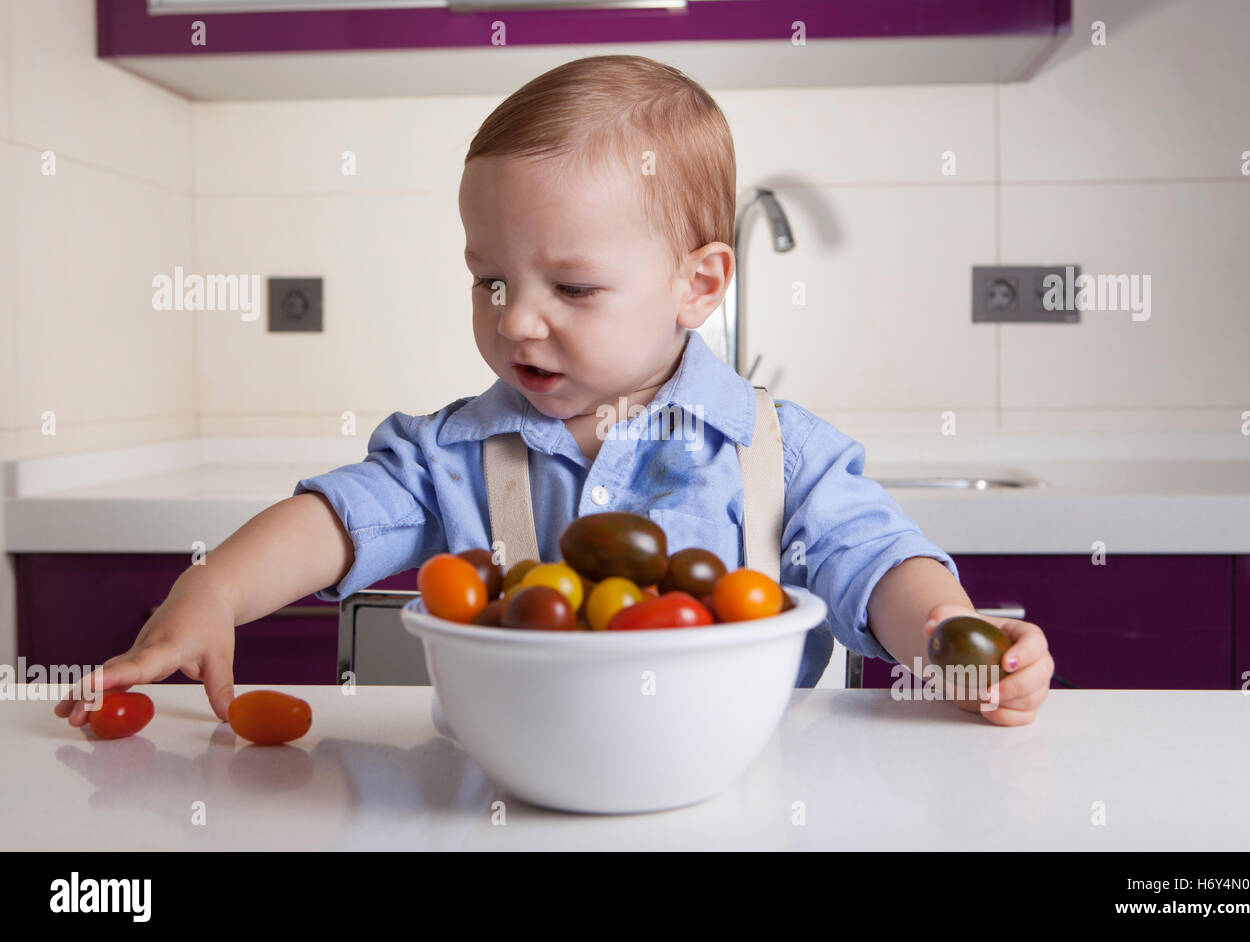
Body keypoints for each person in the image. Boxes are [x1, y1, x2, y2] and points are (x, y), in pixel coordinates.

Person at [57, 54, 1052, 730]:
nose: (516, 320)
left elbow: (872, 560)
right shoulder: (450, 451)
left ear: (698, 285)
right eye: (490, 279)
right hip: (506, 802)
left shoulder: (773, 450)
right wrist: (212, 593)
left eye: (570, 287)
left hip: (735, 804)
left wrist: (945, 637)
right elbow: (335, 522)